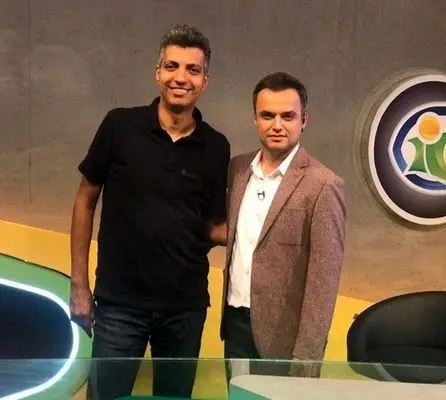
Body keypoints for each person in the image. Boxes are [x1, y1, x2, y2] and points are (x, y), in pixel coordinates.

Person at [69, 24, 230, 399]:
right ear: (157, 72)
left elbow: (211, 227)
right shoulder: (119, 126)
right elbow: (84, 201)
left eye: (192, 70)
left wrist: (269, 234)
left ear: (205, 81)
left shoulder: (216, 146)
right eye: (172, 66)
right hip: (119, 305)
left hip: (184, 310)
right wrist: (79, 284)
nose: (181, 78)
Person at [218, 72, 346, 378]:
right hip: (235, 326)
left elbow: (324, 280)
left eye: (288, 116)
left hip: (286, 340)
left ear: (304, 121)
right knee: (238, 399)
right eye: (268, 115)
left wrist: (308, 353)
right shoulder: (237, 169)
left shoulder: (324, 185)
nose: (277, 125)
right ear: (255, 119)